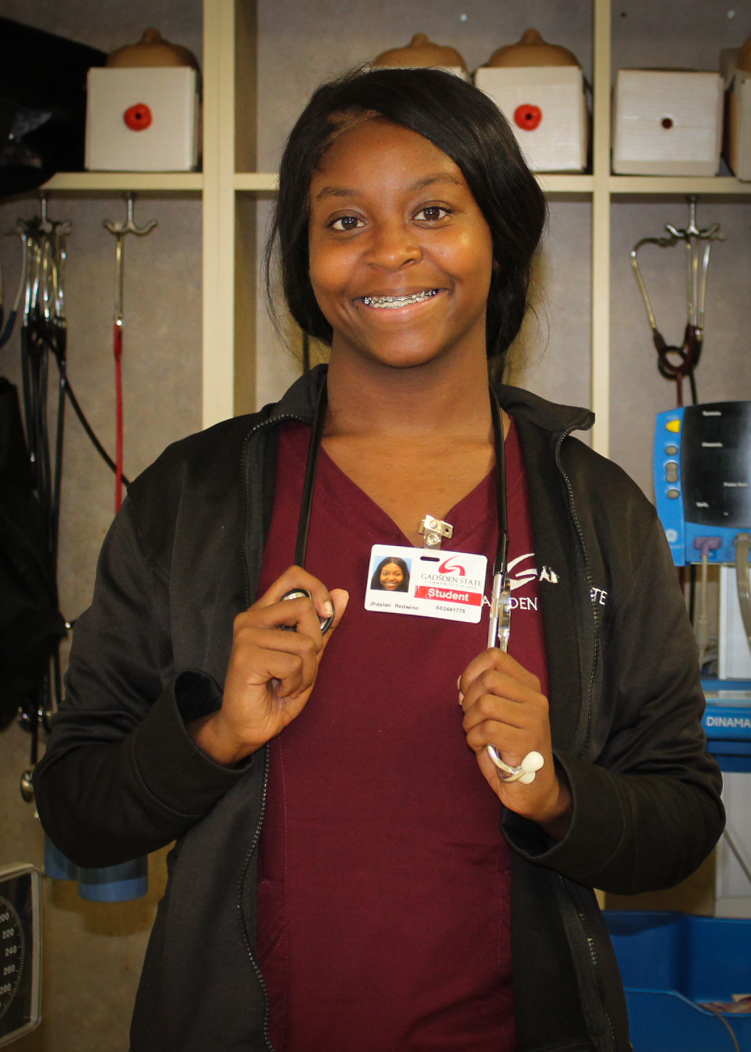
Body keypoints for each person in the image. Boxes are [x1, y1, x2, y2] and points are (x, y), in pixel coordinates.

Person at [33, 68, 723, 1052]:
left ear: (501, 238)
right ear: (304, 261)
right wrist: (214, 732)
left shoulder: (590, 504)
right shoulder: (197, 494)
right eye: (344, 222)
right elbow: (79, 803)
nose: (390, 250)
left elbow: (683, 814)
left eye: (434, 210)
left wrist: (554, 790)